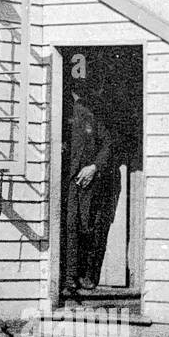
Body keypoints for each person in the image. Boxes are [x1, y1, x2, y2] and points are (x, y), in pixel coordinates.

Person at [63, 84, 114, 297]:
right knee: (70, 227)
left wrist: (94, 167)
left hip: (88, 181)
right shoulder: (62, 110)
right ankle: (69, 278)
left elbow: (108, 144)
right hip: (65, 180)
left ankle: (86, 274)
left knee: (88, 227)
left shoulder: (92, 115)